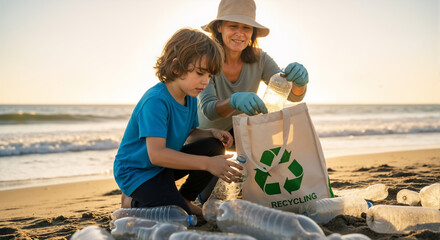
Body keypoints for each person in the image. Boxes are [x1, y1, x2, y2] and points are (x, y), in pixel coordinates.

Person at [113, 28, 243, 215]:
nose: (205, 82)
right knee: (176, 213)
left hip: (162, 167)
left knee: (213, 146)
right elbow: (156, 155)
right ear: (176, 68)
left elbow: (189, 133)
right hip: (138, 172)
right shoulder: (156, 101)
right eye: (200, 73)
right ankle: (131, 201)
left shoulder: (190, 97)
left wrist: (211, 132)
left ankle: (185, 197)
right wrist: (207, 164)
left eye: (209, 76)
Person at [196, 0, 309, 203]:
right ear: (219, 27)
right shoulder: (206, 58)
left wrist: (299, 82)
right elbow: (208, 110)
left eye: (246, 28)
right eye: (233, 26)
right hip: (208, 139)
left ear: (253, 32)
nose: (240, 33)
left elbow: (291, 94)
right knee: (210, 199)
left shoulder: (260, 58)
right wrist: (234, 101)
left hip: (246, 135)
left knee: (265, 190)